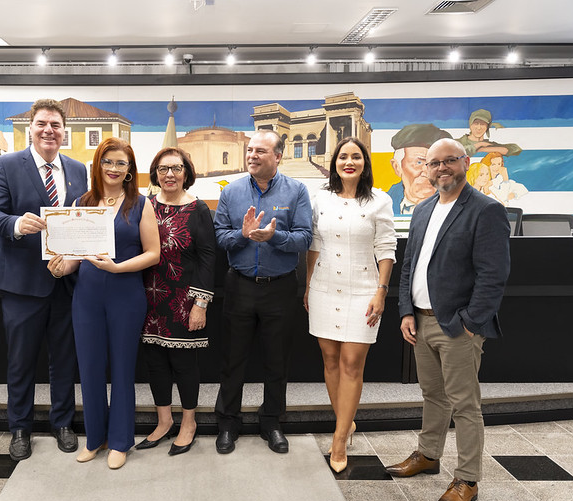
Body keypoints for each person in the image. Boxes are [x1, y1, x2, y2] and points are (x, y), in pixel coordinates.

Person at [385, 138, 510, 501]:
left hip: (457, 327)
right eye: (433, 163)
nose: (441, 168)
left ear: (465, 162)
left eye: (449, 161)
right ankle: (427, 455)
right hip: (420, 322)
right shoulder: (423, 209)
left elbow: (494, 275)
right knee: (432, 396)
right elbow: (410, 267)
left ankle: (467, 479)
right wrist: (406, 311)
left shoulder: (485, 210)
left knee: (465, 405)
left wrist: (470, 323)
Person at [0, 99, 88, 461]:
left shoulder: (77, 169)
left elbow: (83, 220)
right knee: (21, 360)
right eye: (42, 124)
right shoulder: (6, 164)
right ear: (31, 127)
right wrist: (14, 224)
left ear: (64, 131)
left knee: (64, 358)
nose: (49, 131)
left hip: (66, 283)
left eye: (55, 125)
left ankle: (62, 423)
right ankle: (20, 428)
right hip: (22, 284)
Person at [49, 137, 160, 470]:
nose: (113, 168)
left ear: (129, 170)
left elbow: (153, 254)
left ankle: (121, 440)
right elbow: (73, 256)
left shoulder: (141, 204)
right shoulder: (82, 201)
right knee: (90, 368)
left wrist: (117, 267)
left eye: (121, 163)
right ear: (98, 165)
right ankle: (95, 438)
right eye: (107, 161)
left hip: (126, 293)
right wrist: (61, 266)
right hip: (87, 295)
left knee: (123, 369)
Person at [213, 129, 312, 455]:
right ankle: (228, 422)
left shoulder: (297, 191)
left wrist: (275, 238)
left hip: (279, 288)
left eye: (260, 151)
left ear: (278, 156)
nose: (252, 156)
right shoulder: (232, 191)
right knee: (233, 359)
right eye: (250, 150)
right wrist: (242, 236)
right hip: (239, 285)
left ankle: (271, 421)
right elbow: (221, 238)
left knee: (276, 360)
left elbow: (304, 239)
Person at [304, 137, 396, 473]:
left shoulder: (379, 201)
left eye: (356, 157)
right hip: (324, 287)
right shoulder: (321, 198)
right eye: (343, 156)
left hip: (363, 289)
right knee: (330, 359)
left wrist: (381, 291)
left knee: (352, 362)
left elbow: (387, 247)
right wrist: (309, 283)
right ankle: (346, 422)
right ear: (335, 162)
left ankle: (339, 437)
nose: (349, 162)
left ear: (364, 163)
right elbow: (314, 243)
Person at [137, 147, 216, 456]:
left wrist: (201, 304)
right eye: (163, 168)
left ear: (187, 174)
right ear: (155, 173)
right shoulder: (145, 207)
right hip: (148, 298)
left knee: (184, 365)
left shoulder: (198, 210)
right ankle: (164, 421)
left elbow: (208, 259)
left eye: (176, 168)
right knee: (155, 363)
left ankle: (188, 423)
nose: (169, 174)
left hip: (185, 301)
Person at [387, 124, 452, 216]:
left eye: (434, 163)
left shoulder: (455, 205)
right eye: (419, 163)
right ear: (397, 167)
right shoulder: (382, 206)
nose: (427, 172)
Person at [455, 109, 522, 158]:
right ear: (470, 125)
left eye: (482, 124)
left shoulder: (488, 144)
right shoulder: (456, 143)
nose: (479, 128)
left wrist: (483, 149)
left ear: (487, 127)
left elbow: (515, 149)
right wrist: (478, 145)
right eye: (476, 123)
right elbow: (455, 154)